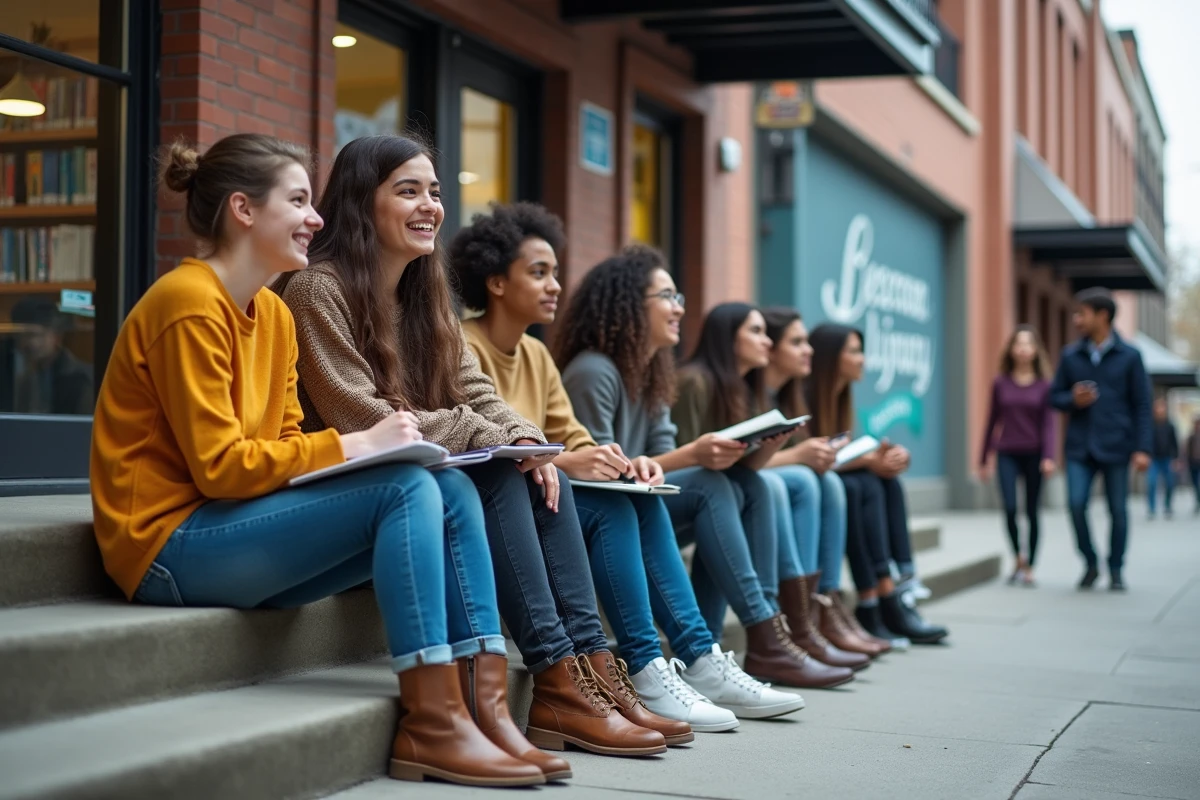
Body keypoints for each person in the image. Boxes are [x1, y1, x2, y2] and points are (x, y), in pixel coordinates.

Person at [90, 134, 545, 788]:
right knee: (406, 487)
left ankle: (483, 708)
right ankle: (432, 722)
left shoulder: (273, 315)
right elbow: (220, 468)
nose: (316, 218)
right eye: (299, 201)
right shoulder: (187, 303)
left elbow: (282, 449)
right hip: (166, 544)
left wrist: (358, 454)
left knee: (448, 489)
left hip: (236, 524)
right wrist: (358, 444)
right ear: (244, 210)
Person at [274, 135, 667, 760]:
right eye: (408, 191)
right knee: (500, 474)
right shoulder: (316, 290)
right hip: (359, 506)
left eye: (434, 191)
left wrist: (525, 438)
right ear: (361, 201)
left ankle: (585, 670)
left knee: (544, 474)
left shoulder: (426, 295)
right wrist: (494, 438)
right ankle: (556, 675)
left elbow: (477, 391)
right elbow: (364, 416)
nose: (430, 205)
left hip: (420, 489)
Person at [451, 201, 772, 730]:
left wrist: (619, 460)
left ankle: (680, 659)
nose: (556, 285)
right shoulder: (465, 345)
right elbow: (484, 442)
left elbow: (572, 432)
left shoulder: (536, 355)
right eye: (539, 273)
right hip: (499, 508)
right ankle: (648, 663)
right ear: (496, 282)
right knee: (620, 507)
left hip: (546, 502)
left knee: (638, 498)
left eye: (556, 272)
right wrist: (572, 457)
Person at [557, 245, 815, 711]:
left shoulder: (653, 372)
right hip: (595, 514)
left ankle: (725, 647)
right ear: (629, 305)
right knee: (710, 487)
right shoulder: (594, 371)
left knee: (748, 485)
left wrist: (753, 448)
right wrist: (695, 454)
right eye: (667, 297)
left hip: (638, 504)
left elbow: (656, 456)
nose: (678, 308)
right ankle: (735, 645)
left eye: (679, 297)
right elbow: (599, 470)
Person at [675, 302, 867, 676]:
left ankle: (802, 620)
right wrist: (791, 454)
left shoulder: (740, 388)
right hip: (678, 496)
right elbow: (691, 465)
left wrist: (770, 445)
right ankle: (775, 629)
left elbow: (740, 469)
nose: (766, 341)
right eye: (756, 332)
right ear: (728, 339)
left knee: (801, 484)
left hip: (717, 492)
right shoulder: (695, 382)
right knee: (768, 488)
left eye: (766, 332)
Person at [806, 323, 949, 645]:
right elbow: (814, 456)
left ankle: (898, 588)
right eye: (854, 351)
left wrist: (888, 458)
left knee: (886, 482)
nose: (862, 359)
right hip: (812, 485)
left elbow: (843, 451)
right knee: (861, 486)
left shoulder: (841, 398)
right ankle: (876, 600)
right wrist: (867, 460)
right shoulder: (805, 396)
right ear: (830, 357)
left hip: (831, 481)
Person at [760, 307, 887, 657]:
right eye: (797, 342)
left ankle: (829, 604)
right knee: (824, 482)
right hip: (749, 489)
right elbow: (738, 459)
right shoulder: (761, 392)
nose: (809, 351)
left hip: (781, 483)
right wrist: (807, 456)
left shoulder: (788, 394)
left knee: (851, 483)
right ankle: (802, 619)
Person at [1050, 288, 1152, 592]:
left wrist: (1143, 448)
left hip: (1117, 444)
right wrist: (1072, 399)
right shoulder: (1070, 355)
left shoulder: (1130, 356)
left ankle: (1116, 568)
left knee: (1117, 510)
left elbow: (1142, 405)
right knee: (1075, 504)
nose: (1076, 319)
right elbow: (1054, 397)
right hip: (1079, 446)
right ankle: (1090, 562)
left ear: (1102, 315)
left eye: (1081, 314)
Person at [978, 325, 1057, 586]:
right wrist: (983, 458)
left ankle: (1030, 565)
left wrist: (1049, 456)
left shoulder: (1044, 385)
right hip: (1007, 452)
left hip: (1034, 453)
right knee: (1010, 508)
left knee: (1032, 511)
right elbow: (991, 421)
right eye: (1018, 344)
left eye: (1028, 344)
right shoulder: (1000, 382)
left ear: (1035, 350)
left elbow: (1049, 423)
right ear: (1011, 349)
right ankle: (1017, 558)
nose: (1023, 349)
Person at [10, 297, 94, 414]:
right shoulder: (25, 381)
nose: (27, 343)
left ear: (56, 336)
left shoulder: (83, 379)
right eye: (20, 336)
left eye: (34, 335)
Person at [1147, 398, 1179, 520]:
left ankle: (1168, 506)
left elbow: (1174, 443)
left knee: (1170, 483)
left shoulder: (1170, 425)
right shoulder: (1150, 425)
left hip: (1167, 458)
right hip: (1153, 459)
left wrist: (1175, 459)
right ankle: (1151, 509)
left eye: (1162, 407)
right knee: (1151, 483)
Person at [1187, 417, 1200, 516]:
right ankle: (1198, 501)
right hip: (1193, 464)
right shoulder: (1191, 437)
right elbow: (1187, 451)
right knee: (1195, 485)